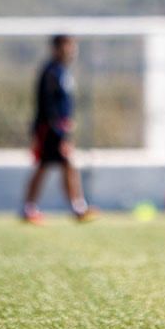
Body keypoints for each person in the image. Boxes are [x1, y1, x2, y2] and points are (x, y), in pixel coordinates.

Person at [22, 35, 96, 224]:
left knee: (64, 165)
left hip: (58, 128)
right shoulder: (51, 71)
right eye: (67, 46)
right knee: (47, 165)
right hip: (50, 129)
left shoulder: (63, 71)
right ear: (56, 48)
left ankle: (77, 207)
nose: (71, 50)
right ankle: (31, 208)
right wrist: (59, 129)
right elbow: (48, 104)